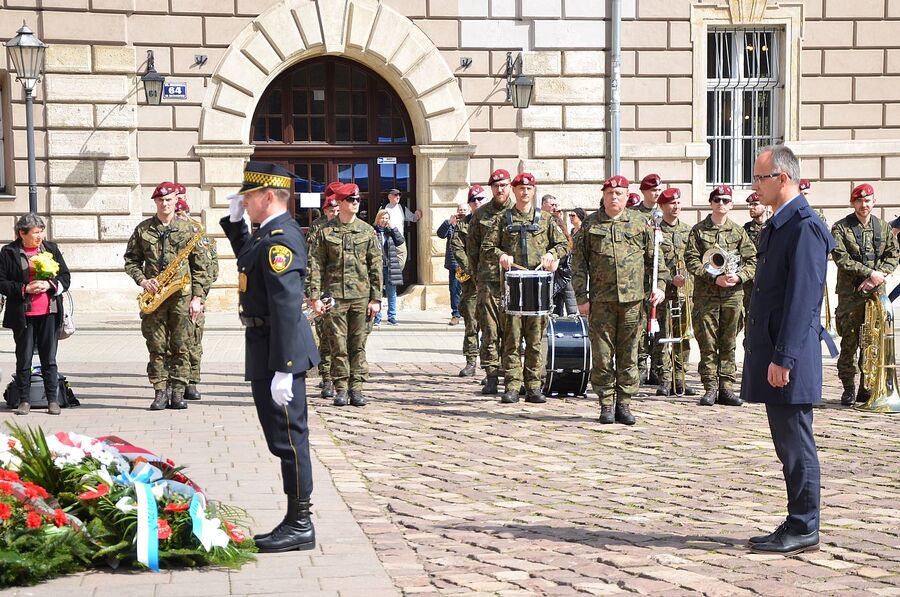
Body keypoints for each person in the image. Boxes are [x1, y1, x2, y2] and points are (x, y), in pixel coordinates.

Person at [220, 161, 320, 553]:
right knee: (280, 438)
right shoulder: (267, 233)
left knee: (290, 439)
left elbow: (286, 306)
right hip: (265, 344)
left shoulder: (282, 238)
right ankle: (296, 520)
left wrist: (285, 368)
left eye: (248, 197)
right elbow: (249, 258)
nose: (244, 202)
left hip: (278, 349)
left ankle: (300, 523)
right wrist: (236, 224)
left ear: (267, 196)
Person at [742, 144, 836, 555]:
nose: (754, 186)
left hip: (789, 357)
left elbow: (802, 301)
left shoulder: (804, 227)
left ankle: (804, 525)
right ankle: (796, 518)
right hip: (776, 351)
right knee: (787, 444)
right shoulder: (780, 224)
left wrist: (784, 357)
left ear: (782, 178)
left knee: (797, 444)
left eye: (760, 178)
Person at [572, 176, 667, 425]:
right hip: (601, 302)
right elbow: (579, 264)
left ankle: (624, 403)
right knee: (602, 355)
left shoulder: (641, 223)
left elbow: (655, 260)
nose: (614, 197)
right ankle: (605, 403)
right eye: (610, 193)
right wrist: (581, 297)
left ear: (627, 196)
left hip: (633, 302)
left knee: (629, 355)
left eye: (619, 193)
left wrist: (659, 286)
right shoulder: (591, 224)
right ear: (603, 196)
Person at [484, 173, 568, 404]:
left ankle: (533, 386)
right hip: (512, 287)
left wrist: (552, 254)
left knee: (535, 340)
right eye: (520, 188)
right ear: (514, 190)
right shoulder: (503, 219)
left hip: (538, 287)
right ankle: (512, 385)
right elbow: (487, 246)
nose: (524, 192)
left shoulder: (546, 219)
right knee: (511, 339)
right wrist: (501, 255)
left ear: (533, 191)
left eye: (528, 188)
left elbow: (564, 244)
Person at [124, 182, 209, 411]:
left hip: (182, 296)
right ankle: (160, 392)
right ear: (155, 201)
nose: (165, 203)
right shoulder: (143, 229)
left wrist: (197, 298)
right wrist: (142, 280)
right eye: (161, 200)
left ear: (176, 200)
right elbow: (131, 261)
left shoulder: (190, 230)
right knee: (156, 345)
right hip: (155, 296)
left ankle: (178, 392)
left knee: (182, 345)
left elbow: (201, 268)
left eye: (169, 199)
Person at [308, 183, 382, 407]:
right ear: (339, 203)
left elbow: (376, 266)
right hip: (335, 297)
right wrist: (314, 297)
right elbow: (316, 265)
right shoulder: (325, 232)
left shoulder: (367, 231)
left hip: (361, 297)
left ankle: (356, 389)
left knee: (357, 344)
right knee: (338, 344)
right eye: (351, 200)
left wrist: (376, 298)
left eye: (357, 199)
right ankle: (340, 388)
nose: (355, 203)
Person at [683, 185, 757, 407]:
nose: (721, 204)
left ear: (731, 205)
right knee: (707, 342)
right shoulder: (698, 231)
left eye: (725, 200)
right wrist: (713, 278)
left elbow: (753, 261)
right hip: (707, 295)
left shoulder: (738, 232)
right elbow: (691, 260)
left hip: (732, 295)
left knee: (729, 341)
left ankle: (726, 387)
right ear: (711, 203)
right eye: (717, 200)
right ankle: (710, 387)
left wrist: (740, 277)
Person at [830, 183, 899, 406]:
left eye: (867, 200)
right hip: (850, 294)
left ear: (874, 202)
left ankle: (866, 387)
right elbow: (841, 258)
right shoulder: (841, 228)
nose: (863, 205)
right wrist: (870, 274)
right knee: (849, 341)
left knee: (872, 342)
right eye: (859, 201)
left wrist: (879, 276)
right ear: (853, 203)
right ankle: (848, 388)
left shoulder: (884, 228)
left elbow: (894, 254)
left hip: (875, 294)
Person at [0, 214, 71, 416]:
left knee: (49, 358)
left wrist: (49, 285)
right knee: (24, 358)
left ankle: (52, 400)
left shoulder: (51, 249)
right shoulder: (9, 252)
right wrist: (25, 289)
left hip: (49, 311)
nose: (40, 236)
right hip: (23, 314)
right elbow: (2, 282)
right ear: (22, 233)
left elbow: (65, 277)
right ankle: (24, 400)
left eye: (41, 232)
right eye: (35, 233)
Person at [466, 169, 514, 394]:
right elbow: (472, 248)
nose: (500, 189)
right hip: (488, 280)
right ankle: (491, 374)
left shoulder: (518, 212)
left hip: (513, 280)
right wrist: (477, 276)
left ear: (510, 186)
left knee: (512, 330)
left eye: (503, 185)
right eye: (496, 186)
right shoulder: (481, 214)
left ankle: (511, 373)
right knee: (489, 329)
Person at [173, 197, 219, 401]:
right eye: (176, 215)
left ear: (187, 214)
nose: (178, 218)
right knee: (172, 343)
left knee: (193, 341)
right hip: (172, 297)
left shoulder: (200, 237)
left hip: (194, 297)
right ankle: (174, 383)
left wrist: (199, 295)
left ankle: (191, 382)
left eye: (180, 214)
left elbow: (212, 270)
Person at [653, 188, 696, 397]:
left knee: (683, 336)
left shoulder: (689, 231)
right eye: (671, 203)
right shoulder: (655, 231)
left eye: (678, 202)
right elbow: (652, 261)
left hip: (685, 292)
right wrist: (671, 278)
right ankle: (664, 379)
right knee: (662, 336)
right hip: (664, 291)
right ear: (662, 206)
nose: (676, 206)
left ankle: (680, 378)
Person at [450, 185, 489, 377]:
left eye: (480, 199)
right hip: (471, 283)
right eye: (473, 200)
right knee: (472, 324)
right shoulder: (463, 225)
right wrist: (473, 271)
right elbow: (457, 248)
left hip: (491, 282)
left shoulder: (494, 221)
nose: (477, 202)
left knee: (492, 325)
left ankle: (492, 366)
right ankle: (471, 361)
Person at [307, 185, 341, 399]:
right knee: (325, 335)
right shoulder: (318, 228)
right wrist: (311, 292)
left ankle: (341, 380)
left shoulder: (351, 227)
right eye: (330, 210)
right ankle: (327, 378)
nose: (334, 213)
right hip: (324, 289)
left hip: (344, 291)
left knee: (341, 338)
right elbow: (311, 261)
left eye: (337, 210)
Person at [631, 174, 663, 385]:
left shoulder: (664, 213)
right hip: (639, 278)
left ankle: (659, 368)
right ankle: (641, 365)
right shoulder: (634, 215)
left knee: (659, 323)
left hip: (659, 276)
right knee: (640, 323)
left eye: (658, 189)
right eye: (652, 190)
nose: (656, 193)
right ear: (643, 192)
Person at [542, 194, 577, 317]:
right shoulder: (540, 220)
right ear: (543, 205)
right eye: (552, 205)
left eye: (557, 206)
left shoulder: (558, 223)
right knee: (556, 307)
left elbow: (565, 245)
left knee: (566, 305)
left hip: (562, 269)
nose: (555, 208)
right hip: (552, 270)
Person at [437, 203, 469, 326]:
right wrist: (449, 222)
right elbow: (440, 234)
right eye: (460, 210)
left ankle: (468, 313)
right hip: (455, 264)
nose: (462, 212)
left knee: (468, 290)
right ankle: (456, 314)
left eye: (464, 210)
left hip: (468, 264)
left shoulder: (471, 222)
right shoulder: (451, 224)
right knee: (454, 290)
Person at [741, 192, 770, 326]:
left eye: (755, 204)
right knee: (750, 320)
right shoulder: (745, 230)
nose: (751, 207)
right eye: (750, 205)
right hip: (750, 284)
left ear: (765, 206)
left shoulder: (773, 226)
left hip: (770, 280)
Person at [373, 209, 404, 326]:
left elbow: (400, 241)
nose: (384, 220)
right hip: (377, 266)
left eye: (386, 218)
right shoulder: (372, 230)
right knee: (377, 292)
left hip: (390, 266)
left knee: (391, 292)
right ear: (378, 218)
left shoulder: (390, 231)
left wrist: (393, 228)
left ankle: (392, 317)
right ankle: (377, 317)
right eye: (382, 218)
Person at [382, 188, 421, 270]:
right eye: (396, 195)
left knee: (401, 263)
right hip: (387, 241)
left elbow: (413, 218)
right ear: (389, 196)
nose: (398, 197)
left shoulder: (402, 208)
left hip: (400, 241)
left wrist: (417, 213)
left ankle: (396, 277)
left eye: (399, 195)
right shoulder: (384, 208)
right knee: (387, 264)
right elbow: (378, 223)